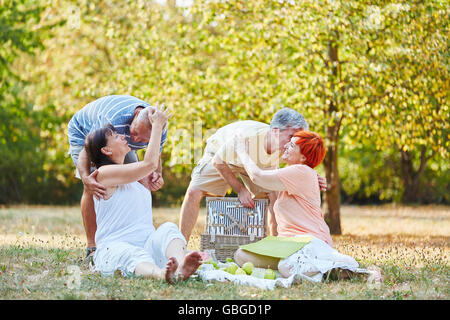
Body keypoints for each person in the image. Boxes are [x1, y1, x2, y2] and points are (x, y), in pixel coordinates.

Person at [83, 104, 202, 282]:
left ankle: (180, 264)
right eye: (116, 136)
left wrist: (154, 179)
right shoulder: (103, 174)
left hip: (147, 245)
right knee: (131, 254)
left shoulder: (136, 179)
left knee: (169, 228)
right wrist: (157, 126)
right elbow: (149, 164)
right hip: (115, 248)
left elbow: (148, 168)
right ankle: (162, 274)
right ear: (106, 150)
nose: (123, 136)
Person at [179, 108, 327, 243]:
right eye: (292, 136)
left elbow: (299, 167)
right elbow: (218, 162)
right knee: (194, 191)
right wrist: (240, 189)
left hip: (256, 165)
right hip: (222, 157)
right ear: (275, 131)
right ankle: (181, 245)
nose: (294, 142)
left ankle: (276, 245)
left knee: (273, 196)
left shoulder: (288, 146)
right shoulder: (247, 137)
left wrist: (313, 177)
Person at [233, 131, 359, 279]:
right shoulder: (295, 173)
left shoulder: (300, 171)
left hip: (310, 241)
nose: (286, 145)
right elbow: (263, 179)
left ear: (303, 157)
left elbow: (257, 176)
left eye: (292, 145)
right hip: (289, 244)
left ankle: (338, 266)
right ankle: (310, 269)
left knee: (286, 266)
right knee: (241, 255)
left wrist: (241, 151)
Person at [67, 95, 168, 259]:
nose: (135, 139)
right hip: (83, 134)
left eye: (143, 140)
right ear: (134, 118)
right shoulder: (113, 119)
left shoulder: (159, 130)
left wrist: (157, 175)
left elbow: (154, 156)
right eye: (134, 133)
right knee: (94, 183)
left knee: (134, 180)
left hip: (119, 143)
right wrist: (86, 178)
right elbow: (88, 148)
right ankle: (92, 247)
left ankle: (127, 238)